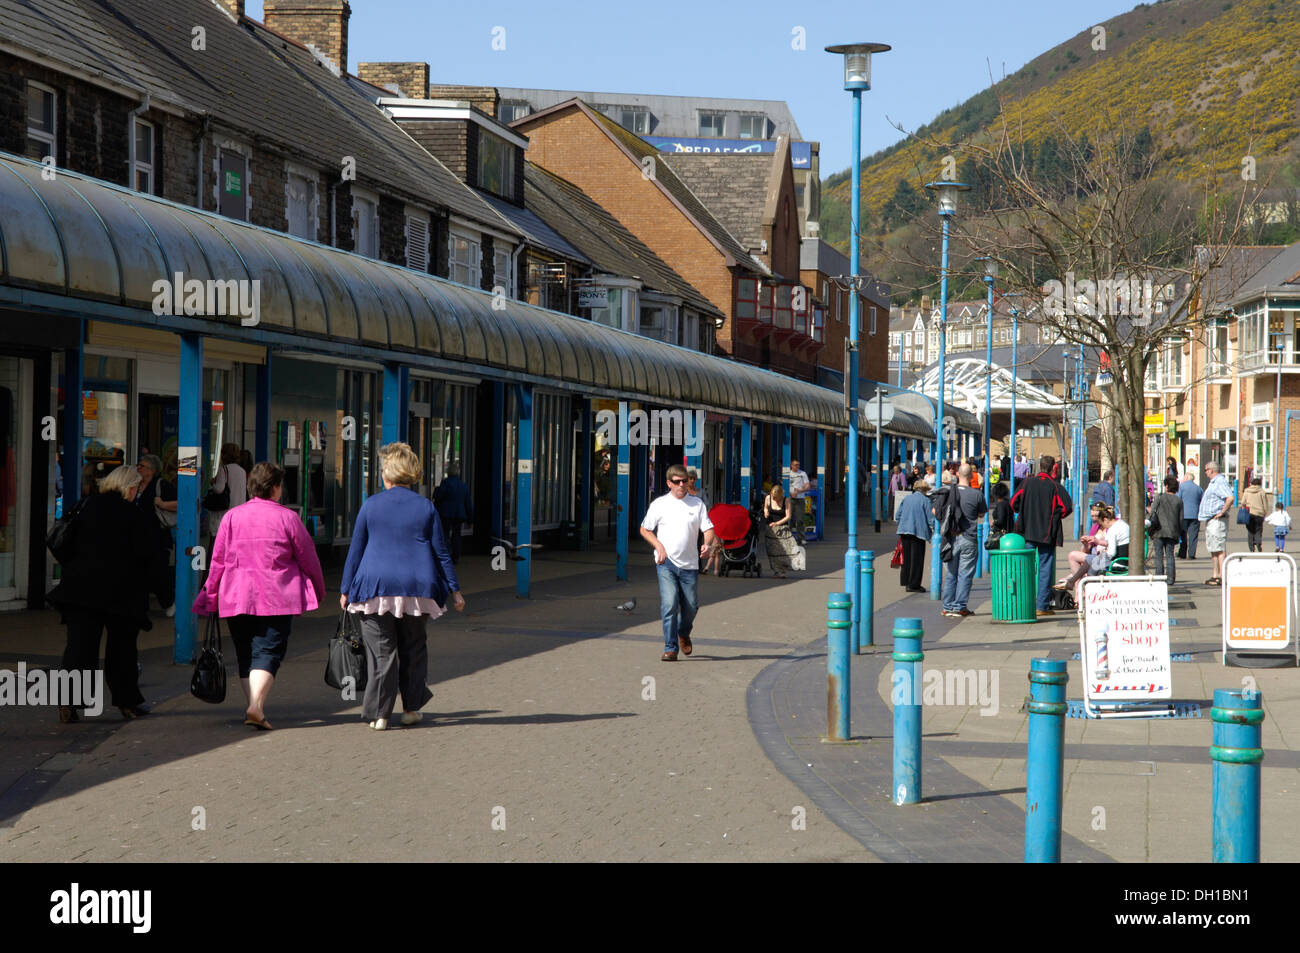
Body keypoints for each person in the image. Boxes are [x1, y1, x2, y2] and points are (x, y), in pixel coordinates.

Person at [340, 443, 464, 731]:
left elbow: (355, 551)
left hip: (375, 587)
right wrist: (455, 590)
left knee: (382, 652)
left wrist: (345, 589)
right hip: (417, 588)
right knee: (414, 647)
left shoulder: (371, 505)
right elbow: (441, 552)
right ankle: (411, 707)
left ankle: (379, 713)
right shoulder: (425, 507)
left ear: (388, 474)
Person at [193, 462, 326, 730]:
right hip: (276, 596)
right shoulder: (288, 518)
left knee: (245, 652)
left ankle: (255, 705)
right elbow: (308, 557)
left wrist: (210, 593)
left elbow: (218, 560)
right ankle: (256, 706)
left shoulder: (232, 517)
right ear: (276, 488)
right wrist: (319, 589)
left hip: (236, 595)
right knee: (269, 651)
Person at [47, 465, 155, 722]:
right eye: (137, 487)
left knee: (79, 647)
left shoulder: (84, 506)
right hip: (121, 593)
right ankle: (127, 702)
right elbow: (145, 555)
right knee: (122, 650)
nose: (137, 492)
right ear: (129, 488)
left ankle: (69, 702)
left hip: (80, 589)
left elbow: (62, 541)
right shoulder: (133, 514)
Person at [641, 464, 714, 661]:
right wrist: (659, 546)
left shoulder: (697, 504)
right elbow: (645, 529)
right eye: (677, 481)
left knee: (691, 606)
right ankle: (670, 648)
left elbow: (708, 529)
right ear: (668, 483)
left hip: (690, 565)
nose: (681, 485)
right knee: (670, 603)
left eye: (684, 481)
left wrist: (707, 545)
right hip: (666, 563)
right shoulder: (659, 504)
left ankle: (683, 632)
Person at [1010, 454, 1073, 617]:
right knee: (1045, 569)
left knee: (1026, 567)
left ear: (1039, 467)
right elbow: (1066, 507)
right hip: (1047, 533)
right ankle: (1042, 605)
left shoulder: (1027, 483)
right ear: (1054, 468)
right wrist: (1056, 515)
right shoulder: (1055, 486)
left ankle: (1024, 603)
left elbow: (1013, 502)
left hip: (1027, 531)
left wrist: (1022, 511)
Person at [935, 463, 987, 617]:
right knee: (965, 575)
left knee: (951, 574)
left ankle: (947, 606)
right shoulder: (977, 494)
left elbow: (934, 511)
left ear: (957, 474)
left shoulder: (948, 492)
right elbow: (981, 515)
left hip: (950, 539)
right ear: (972, 476)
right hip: (969, 538)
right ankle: (960, 606)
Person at [135, 453, 177, 618]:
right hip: (139, 538)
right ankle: (141, 607)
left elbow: (181, 503)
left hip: (158, 538)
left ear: (151, 470)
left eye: (142, 466)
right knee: (139, 573)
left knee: (158, 573)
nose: (138, 468)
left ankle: (168, 601)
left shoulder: (161, 485)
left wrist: (162, 504)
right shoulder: (135, 485)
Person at [1197, 460, 1233, 586]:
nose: (1205, 472)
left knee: (1219, 548)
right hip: (1211, 520)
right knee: (1213, 548)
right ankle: (1215, 574)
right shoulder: (1214, 483)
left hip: (1217, 520)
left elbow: (1230, 497)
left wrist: (1222, 511)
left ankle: (1222, 576)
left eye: (1206, 470)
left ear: (1211, 470)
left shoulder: (1219, 482)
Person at [896, 480, 933, 593]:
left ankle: (906, 582)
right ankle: (914, 584)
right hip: (918, 532)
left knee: (906, 558)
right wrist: (934, 532)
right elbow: (930, 519)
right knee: (917, 559)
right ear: (925, 490)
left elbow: (898, 515)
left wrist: (903, 524)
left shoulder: (907, 498)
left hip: (904, 531)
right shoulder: (926, 500)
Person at [433, 462, 474, 564]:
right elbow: (468, 503)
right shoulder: (463, 485)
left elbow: (438, 497)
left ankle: (446, 554)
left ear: (448, 473)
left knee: (445, 534)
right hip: (459, 515)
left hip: (446, 514)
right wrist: (470, 519)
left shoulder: (445, 483)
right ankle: (455, 556)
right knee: (457, 535)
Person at [761, 483, 805, 578]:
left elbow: (788, 516)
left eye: (776, 497)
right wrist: (765, 512)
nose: (774, 499)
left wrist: (777, 523)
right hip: (770, 529)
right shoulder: (768, 498)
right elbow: (765, 507)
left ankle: (783, 570)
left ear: (781, 495)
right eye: (773, 497)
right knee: (773, 552)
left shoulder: (786, 500)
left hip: (782, 528)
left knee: (785, 550)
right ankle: (777, 571)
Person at [207, 443, 248, 535]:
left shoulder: (224, 469)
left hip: (226, 510)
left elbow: (219, 489)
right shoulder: (242, 471)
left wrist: (213, 483)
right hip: (239, 510)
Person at [1148, 476, 1183, 584]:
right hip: (1172, 532)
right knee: (1170, 555)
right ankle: (1170, 578)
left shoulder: (1160, 497)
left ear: (1167, 486)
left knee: (1158, 555)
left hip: (1158, 531)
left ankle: (1159, 577)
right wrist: (1178, 532)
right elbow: (1181, 519)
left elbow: (1152, 512)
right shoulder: (1179, 501)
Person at [1176, 472, 1203, 558]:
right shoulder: (1198, 488)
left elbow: (1177, 499)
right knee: (1193, 535)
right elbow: (1202, 501)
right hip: (1195, 514)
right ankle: (1191, 554)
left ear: (1186, 477)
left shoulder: (1181, 487)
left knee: (1183, 534)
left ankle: (1182, 553)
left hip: (1183, 514)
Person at [1241, 477, 1268, 553]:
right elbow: (1265, 504)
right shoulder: (1262, 492)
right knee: (1258, 530)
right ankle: (1258, 542)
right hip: (1259, 514)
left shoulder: (1247, 491)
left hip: (1249, 513)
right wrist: (1265, 513)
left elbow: (1243, 502)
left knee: (1250, 531)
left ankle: (1251, 547)